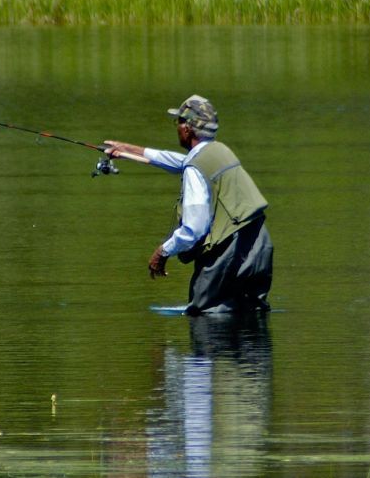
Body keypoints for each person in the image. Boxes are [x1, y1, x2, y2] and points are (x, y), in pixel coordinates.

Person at [105, 95, 273, 315]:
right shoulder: (221, 151)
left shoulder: (196, 168)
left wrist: (163, 252)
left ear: (187, 129)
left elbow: (194, 229)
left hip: (228, 254)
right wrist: (129, 150)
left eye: (179, 122)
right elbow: (181, 162)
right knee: (250, 318)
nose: (177, 127)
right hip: (259, 245)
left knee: (205, 317)